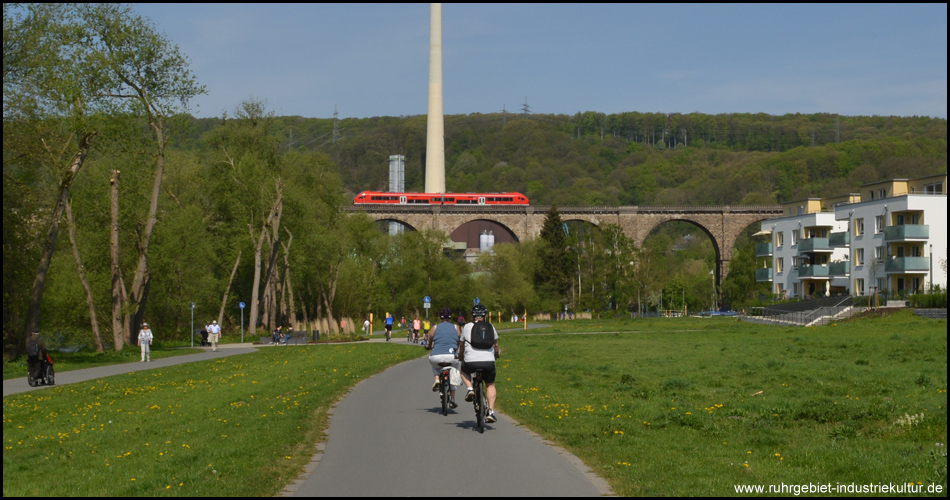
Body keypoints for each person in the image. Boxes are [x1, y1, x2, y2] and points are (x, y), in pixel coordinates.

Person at [458, 304, 500, 424]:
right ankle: (491, 412)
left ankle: (470, 388)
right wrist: (495, 355)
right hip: (488, 362)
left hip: (471, 361)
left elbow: (461, 346)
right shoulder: (490, 326)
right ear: (485, 316)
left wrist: (461, 356)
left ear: (473, 316)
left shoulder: (466, 327)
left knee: (464, 370)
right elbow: (495, 345)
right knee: (490, 384)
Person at [427, 308, 461, 408]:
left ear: (440, 317)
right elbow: (460, 339)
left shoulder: (435, 327)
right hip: (452, 357)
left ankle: (437, 379)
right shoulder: (456, 327)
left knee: (435, 365)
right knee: (454, 371)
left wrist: (429, 346)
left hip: (436, 356)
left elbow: (430, 338)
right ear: (450, 317)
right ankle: (453, 399)